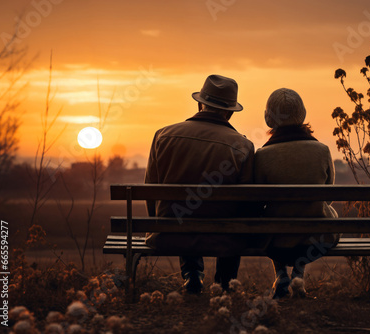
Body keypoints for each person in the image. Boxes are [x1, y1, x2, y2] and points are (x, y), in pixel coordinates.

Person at [144, 74, 255, 294]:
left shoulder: (163, 135)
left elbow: (150, 189)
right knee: (234, 219)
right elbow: (247, 203)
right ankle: (225, 283)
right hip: (223, 240)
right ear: (231, 112)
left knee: (183, 211)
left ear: (199, 103)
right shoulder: (243, 146)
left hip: (169, 235)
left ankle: (192, 273)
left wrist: (157, 224)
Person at [254, 88, 339, 299]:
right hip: (316, 240)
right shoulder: (322, 150)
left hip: (275, 242)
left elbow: (257, 201)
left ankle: (281, 273)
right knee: (327, 213)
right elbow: (328, 195)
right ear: (303, 115)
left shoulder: (262, 155)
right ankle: (298, 272)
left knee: (272, 218)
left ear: (268, 118)